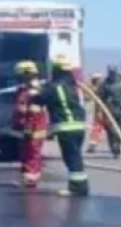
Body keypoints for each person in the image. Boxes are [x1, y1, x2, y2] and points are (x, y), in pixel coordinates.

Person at [30, 55, 89, 196]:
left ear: (56, 70)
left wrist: (35, 91)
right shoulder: (73, 85)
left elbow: (40, 99)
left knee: (71, 157)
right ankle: (80, 186)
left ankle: (78, 189)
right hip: (79, 127)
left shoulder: (55, 86)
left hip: (66, 127)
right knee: (75, 157)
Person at [11, 60, 49, 187]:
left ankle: (32, 178)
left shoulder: (34, 91)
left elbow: (34, 112)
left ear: (28, 74)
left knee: (33, 152)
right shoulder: (24, 89)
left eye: (22, 75)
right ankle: (26, 175)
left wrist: (28, 127)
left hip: (35, 128)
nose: (20, 78)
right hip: (25, 126)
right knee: (24, 152)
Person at [86, 73, 106, 153]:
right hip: (97, 112)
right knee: (97, 128)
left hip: (102, 111)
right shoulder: (93, 89)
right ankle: (92, 145)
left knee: (98, 128)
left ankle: (116, 144)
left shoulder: (102, 88)